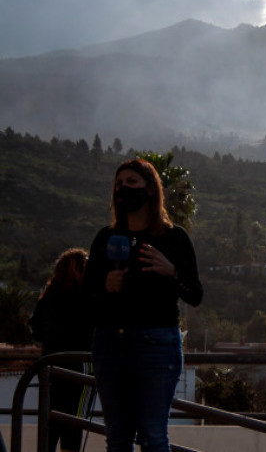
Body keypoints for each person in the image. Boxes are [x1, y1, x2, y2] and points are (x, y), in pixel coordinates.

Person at [83, 158, 203, 452]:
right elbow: (86, 294)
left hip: (156, 344)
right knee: (118, 438)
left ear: (150, 190)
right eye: (118, 184)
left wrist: (171, 272)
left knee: (153, 436)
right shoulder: (106, 238)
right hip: (110, 343)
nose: (123, 188)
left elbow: (195, 294)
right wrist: (104, 286)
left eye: (131, 182)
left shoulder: (174, 238)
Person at [29, 247, 95, 452]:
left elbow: (35, 329)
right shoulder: (88, 297)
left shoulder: (49, 296)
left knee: (51, 420)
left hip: (51, 366)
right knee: (74, 423)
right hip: (80, 367)